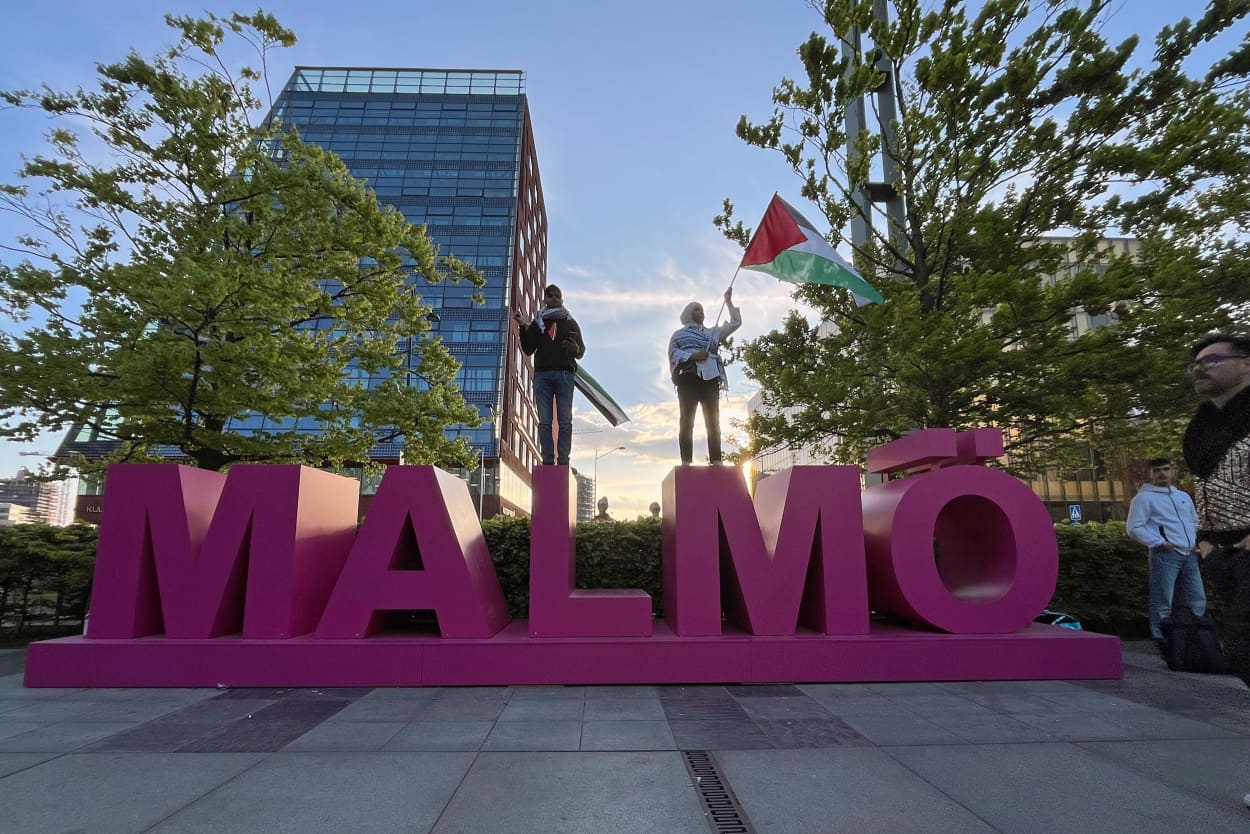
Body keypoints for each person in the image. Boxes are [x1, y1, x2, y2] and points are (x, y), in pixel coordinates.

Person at [1179, 330, 1250, 811]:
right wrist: (1206, 542)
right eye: (1195, 364)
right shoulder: (1204, 429)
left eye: (1212, 360)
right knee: (1241, 651)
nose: (1200, 368)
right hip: (1223, 553)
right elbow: (1207, 489)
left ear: (1246, 364)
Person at [1125, 457, 1205, 650]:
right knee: (1162, 598)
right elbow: (1134, 528)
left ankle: (1198, 635)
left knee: (1197, 597)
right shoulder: (1143, 499)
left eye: (1165, 469)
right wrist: (1160, 542)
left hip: (1189, 553)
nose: (1162, 473)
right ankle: (1161, 638)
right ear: (1150, 474)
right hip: (1165, 554)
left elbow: (1194, 521)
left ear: (1172, 471)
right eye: (1157, 470)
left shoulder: (1183, 496)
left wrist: (1196, 542)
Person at [668, 287, 741, 465]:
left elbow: (735, 323)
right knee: (687, 420)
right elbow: (673, 353)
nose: (701, 312)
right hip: (688, 380)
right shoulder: (679, 334)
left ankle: (716, 460)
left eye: (701, 309)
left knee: (713, 421)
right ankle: (686, 461)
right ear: (688, 314)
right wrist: (693, 356)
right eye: (696, 309)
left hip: (710, 379)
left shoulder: (712, 333)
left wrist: (729, 302)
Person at [515, 284, 584, 466]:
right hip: (542, 376)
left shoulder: (571, 323)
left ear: (562, 300)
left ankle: (563, 461)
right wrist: (522, 327)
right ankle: (547, 460)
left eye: (557, 295)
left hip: (564, 375)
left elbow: (581, 351)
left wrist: (574, 348)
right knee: (544, 421)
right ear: (545, 299)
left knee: (565, 421)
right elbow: (528, 349)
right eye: (550, 295)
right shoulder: (538, 323)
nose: (553, 297)